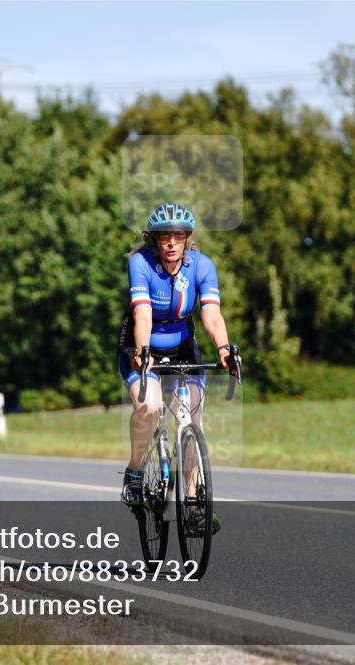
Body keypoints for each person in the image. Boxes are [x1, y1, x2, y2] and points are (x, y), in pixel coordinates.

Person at [116, 203, 235, 534]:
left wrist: (223, 348)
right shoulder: (141, 263)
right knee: (151, 406)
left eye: (178, 236)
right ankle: (136, 473)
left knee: (190, 421)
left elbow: (211, 315)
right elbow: (143, 315)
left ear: (187, 239)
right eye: (164, 236)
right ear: (153, 239)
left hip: (183, 347)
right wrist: (142, 352)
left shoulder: (202, 266)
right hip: (143, 345)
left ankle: (194, 504)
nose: (170, 242)